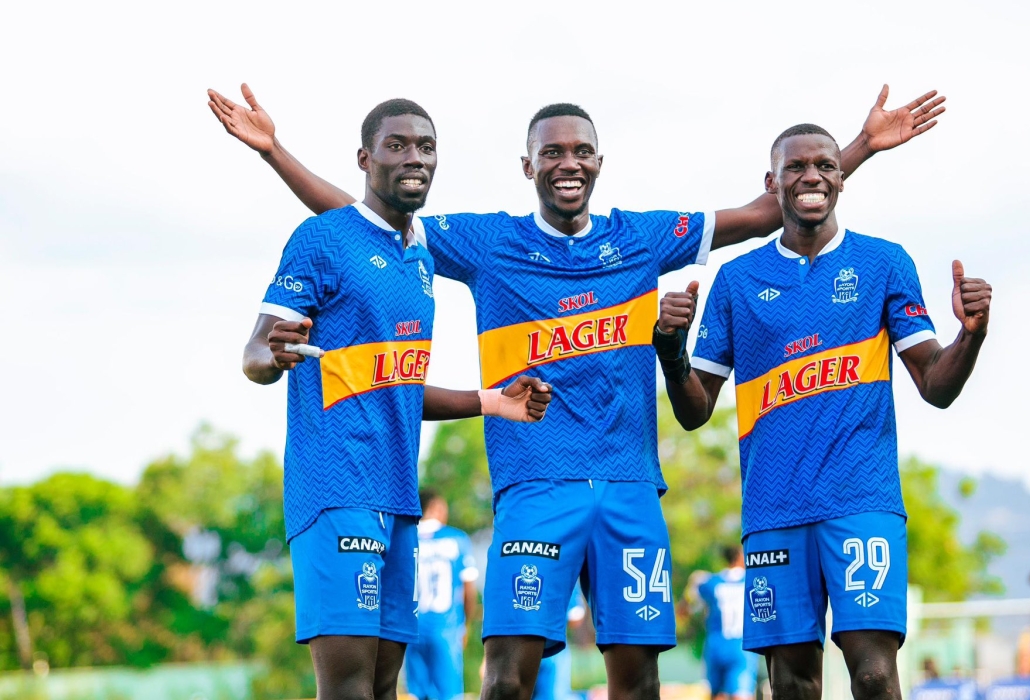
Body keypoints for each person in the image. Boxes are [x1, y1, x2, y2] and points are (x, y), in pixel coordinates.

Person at [208, 82, 945, 700]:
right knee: (503, 681)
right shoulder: (487, 242)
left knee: (638, 679)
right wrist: (276, 152)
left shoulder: (645, 238)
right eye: (552, 153)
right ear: (526, 164)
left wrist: (856, 150)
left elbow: (769, 211)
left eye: (581, 151)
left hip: (629, 489)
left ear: (599, 163)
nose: (568, 164)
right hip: (534, 485)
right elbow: (370, 223)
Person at [654, 123, 992, 700]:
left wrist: (971, 336)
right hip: (774, 511)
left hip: (862, 502)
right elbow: (694, 412)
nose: (811, 176)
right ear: (773, 183)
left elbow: (935, 384)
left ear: (841, 179)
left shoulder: (884, 262)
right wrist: (670, 350)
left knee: (874, 674)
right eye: (795, 167)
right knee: (792, 684)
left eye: (825, 166)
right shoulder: (737, 280)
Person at [232, 95, 552, 700]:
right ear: (365, 158)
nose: (415, 158)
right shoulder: (321, 239)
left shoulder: (420, 259)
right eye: (397, 145)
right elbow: (254, 354)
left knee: (384, 688)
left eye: (426, 147)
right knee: (348, 689)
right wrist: (272, 357)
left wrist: (492, 401)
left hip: (397, 497)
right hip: (335, 489)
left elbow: (396, 387)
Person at [406, 490, 480, 700]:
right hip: (446, 626)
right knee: (449, 694)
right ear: (437, 506)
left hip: (412, 627)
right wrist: (465, 624)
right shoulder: (456, 538)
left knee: (416, 693)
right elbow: (468, 588)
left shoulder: (406, 538)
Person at [687, 545, 758, 700]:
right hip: (742, 645)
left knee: (717, 694)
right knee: (742, 693)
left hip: (715, 643)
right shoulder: (752, 580)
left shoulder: (711, 582)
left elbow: (689, 603)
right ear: (741, 557)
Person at [532, 585, 588, 700]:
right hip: (554, 644)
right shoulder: (564, 572)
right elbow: (575, 617)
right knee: (555, 695)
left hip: (521, 642)